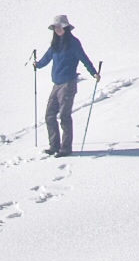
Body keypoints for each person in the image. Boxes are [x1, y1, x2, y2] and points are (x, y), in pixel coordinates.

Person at [33, 14, 98, 157]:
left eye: (60, 27)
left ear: (66, 27)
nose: (57, 30)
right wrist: (37, 65)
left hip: (68, 84)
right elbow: (47, 58)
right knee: (50, 115)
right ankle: (54, 146)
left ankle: (66, 148)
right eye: (55, 27)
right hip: (56, 84)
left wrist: (94, 73)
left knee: (64, 115)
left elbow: (84, 59)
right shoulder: (55, 44)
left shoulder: (73, 43)